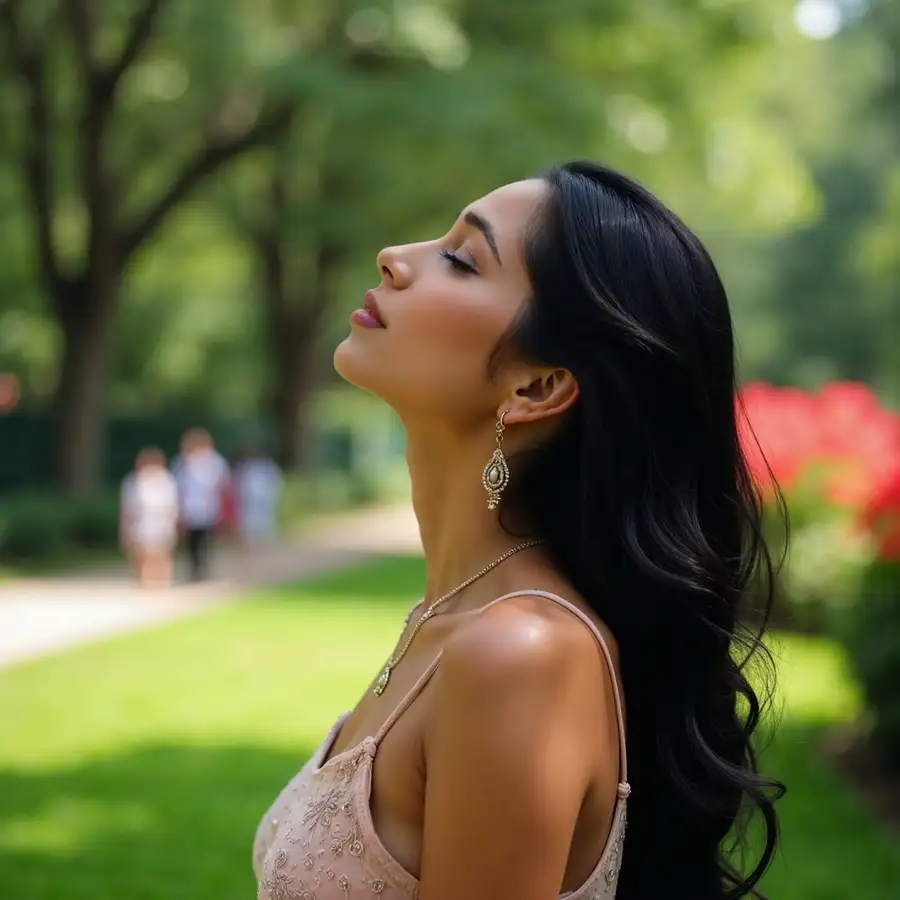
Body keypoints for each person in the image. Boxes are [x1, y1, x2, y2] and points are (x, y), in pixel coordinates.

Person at [252, 162, 785, 900]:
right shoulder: (449, 619)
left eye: (461, 260)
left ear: (536, 385)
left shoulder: (522, 654)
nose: (394, 258)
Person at [171, 428, 230, 581]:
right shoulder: (182, 462)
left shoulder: (215, 461)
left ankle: (204, 569)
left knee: (205, 540)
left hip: (209, 508)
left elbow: (223, 485)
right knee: (192, 542)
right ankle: (194, 569)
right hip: (188, 510)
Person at [119, 447, 179, 589]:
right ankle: (144, 581)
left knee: (161, 553)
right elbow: (127, 507)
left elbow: (171, 505)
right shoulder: (133, 481)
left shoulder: (166, 480)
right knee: (141, 554)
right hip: (140, 522)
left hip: (160, 522)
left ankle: (162, 581)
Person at [232, 442, 284, 550]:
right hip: (248, 500)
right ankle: (249, 545)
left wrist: (273, 497)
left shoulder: (267, 467)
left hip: (264, 500)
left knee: (263, 521)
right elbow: (237, 484)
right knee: (248, 521)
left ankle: (262, 545)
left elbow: (276, 483)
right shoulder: (245, 467)